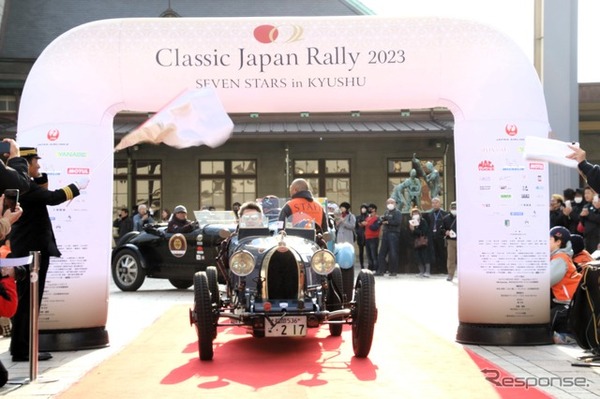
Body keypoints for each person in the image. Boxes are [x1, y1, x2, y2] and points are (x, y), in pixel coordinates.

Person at [9, 147, 89, 362]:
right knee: (28, 301)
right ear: (26, 164)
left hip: (28, 248)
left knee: (27, 300)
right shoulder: (25, 187)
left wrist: (36, 174)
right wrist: (76, 187)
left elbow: (42, 188)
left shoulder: (25, 185)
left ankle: (22, 347)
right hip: (31, 250)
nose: (40, 166)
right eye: (36, 162)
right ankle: (23, 349)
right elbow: (52, 197)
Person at [549, 226, 582, 344]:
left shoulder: (560, 258)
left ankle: (569, 336)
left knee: (543, 325)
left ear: (558, 242)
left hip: (567, 305)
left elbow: (546, 281)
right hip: (571, 304)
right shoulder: (560, 257)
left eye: (549, 239)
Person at [376, 198, 402, 277]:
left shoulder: (397, 212)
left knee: (393, 253)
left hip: (393, 234)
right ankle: (381, 270)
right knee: (382, 253)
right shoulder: (386, 212)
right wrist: (381, 220)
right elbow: (381, 221)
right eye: (388, 202)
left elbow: (397, 222)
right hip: (385, 233)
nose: (390, 204)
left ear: (395, 203)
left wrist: (388, 222)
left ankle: (393, 271)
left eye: (392, 202)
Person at [426, 197, 447, 274]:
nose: (434, 204)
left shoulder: (444, 213)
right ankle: (434, 269)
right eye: (433, 203)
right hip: (432, 236)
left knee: (442, 252)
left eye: (436, 202)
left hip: (441, 236)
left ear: (440, 203)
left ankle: (443, 269)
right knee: (433, 253)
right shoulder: (430, 214)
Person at [580, 186, 600, 252]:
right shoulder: (586, 206)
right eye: (585, 193)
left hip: (597, 238)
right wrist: (582, 216)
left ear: (594, 194)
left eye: (588, 193)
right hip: (587, 237)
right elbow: (583, 223)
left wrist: (588, 215)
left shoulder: (598, 205)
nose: (586, 195)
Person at [441, 201, 458, 281]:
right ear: (450, 208)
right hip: (451, 240)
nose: (454, 209)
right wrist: (445, 232)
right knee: (451, 258)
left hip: (463, 241)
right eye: (453, 208)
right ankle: (450, 274)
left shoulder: (464, 216)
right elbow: (441, 229)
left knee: (464, 259)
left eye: (456, 208)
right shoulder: (446, 218)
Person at [364, 203, 380, 272]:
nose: (370, 210)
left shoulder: (377, 218)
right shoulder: (367, 218)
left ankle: (375, 267)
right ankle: (370, 267)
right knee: (369, 254)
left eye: (371, 208)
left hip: (374, 238)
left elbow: (375, 227)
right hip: (367, 238)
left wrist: (368, 224)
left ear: (374, 210)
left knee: (374, 254)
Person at [355, 203, 369, 269]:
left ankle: (370, 265)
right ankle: (362, 265)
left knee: (369, 251)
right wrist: (357, 232)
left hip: (367, 236)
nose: (363, 209)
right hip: (360, 236)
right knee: (361, 252)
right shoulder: (357, 217)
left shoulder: (368, 217)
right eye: (362, 208)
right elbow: (355, 227)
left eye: (364, 208)